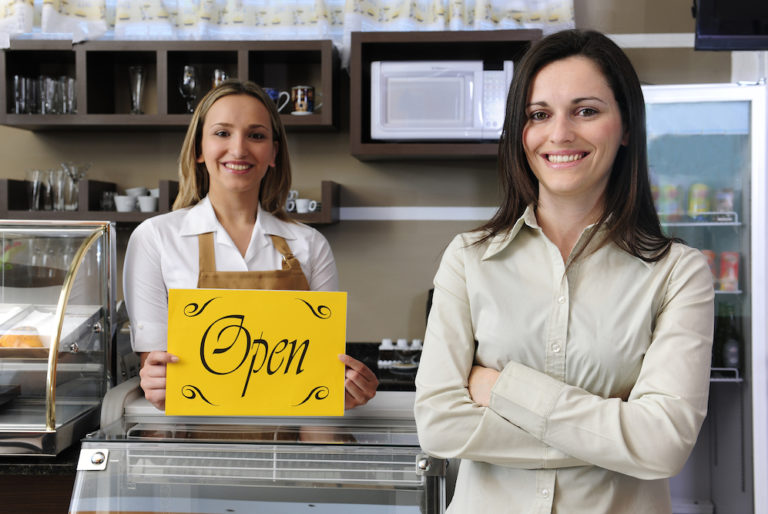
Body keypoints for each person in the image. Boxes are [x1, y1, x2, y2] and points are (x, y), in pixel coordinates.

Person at [413, 29, 715, 513]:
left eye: (587, 110)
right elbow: (439, 425)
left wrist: (502, 389)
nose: (559, 134)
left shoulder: (678, 272)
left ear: (627, 127)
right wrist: (612, 441)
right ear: (521, 131)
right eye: (539, 115)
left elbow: (663, 445)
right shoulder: (469, 259)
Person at [124, 79, 378, 412]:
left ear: (273, 152)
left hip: (284, 445)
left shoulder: (310, 245)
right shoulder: (155, 237)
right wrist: (156, 381)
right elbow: (155, 365)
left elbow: (318, 368)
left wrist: (344, 389)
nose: (239, 149)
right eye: (222, 133)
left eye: (256, 135)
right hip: (188, 442)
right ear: (199, 149)